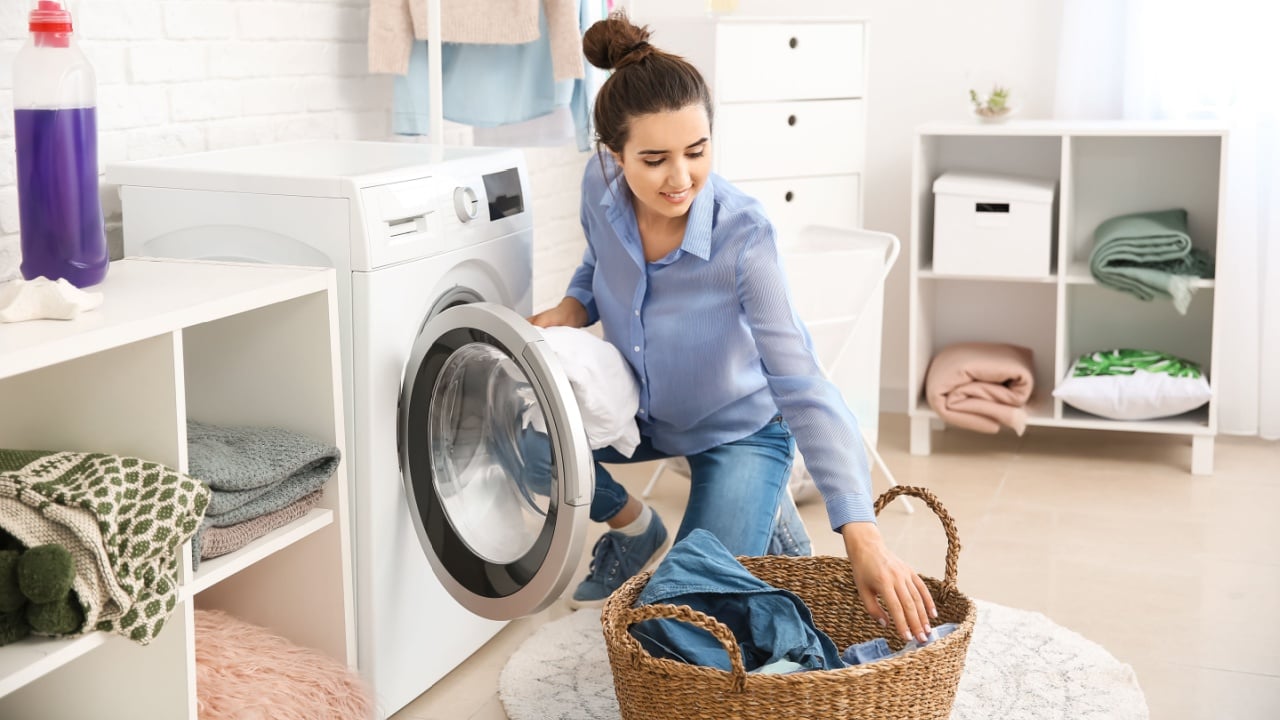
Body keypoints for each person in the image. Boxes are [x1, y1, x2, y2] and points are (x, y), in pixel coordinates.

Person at [529, 13, 938, 644]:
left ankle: (766, 528)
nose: (681, 178)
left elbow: (803, 382)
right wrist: (573, 304)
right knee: (509, 436)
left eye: (697, 151)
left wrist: (861, 531)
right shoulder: (599, 186)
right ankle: (637, 526)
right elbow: (596, 261)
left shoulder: (744, 237)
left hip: (740, 433)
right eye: (654, 159)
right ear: (614, 156)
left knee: (677, 624)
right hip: (644, 419)